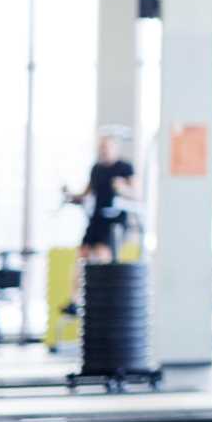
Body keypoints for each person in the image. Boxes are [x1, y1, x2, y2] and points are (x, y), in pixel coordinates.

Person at [61, 132, 136, 316]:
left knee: (103, 256)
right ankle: (75, 301)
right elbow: (86, 194)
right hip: (96, 219)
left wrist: (122, 188)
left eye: (106, 147)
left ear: (114, 148)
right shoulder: (96, 169)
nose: (103, 151)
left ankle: (106, 299)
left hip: (114, 221)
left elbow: (136, 193)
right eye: (101, 148)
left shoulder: (125, 168)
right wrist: (71, 195)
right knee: (82, 257)